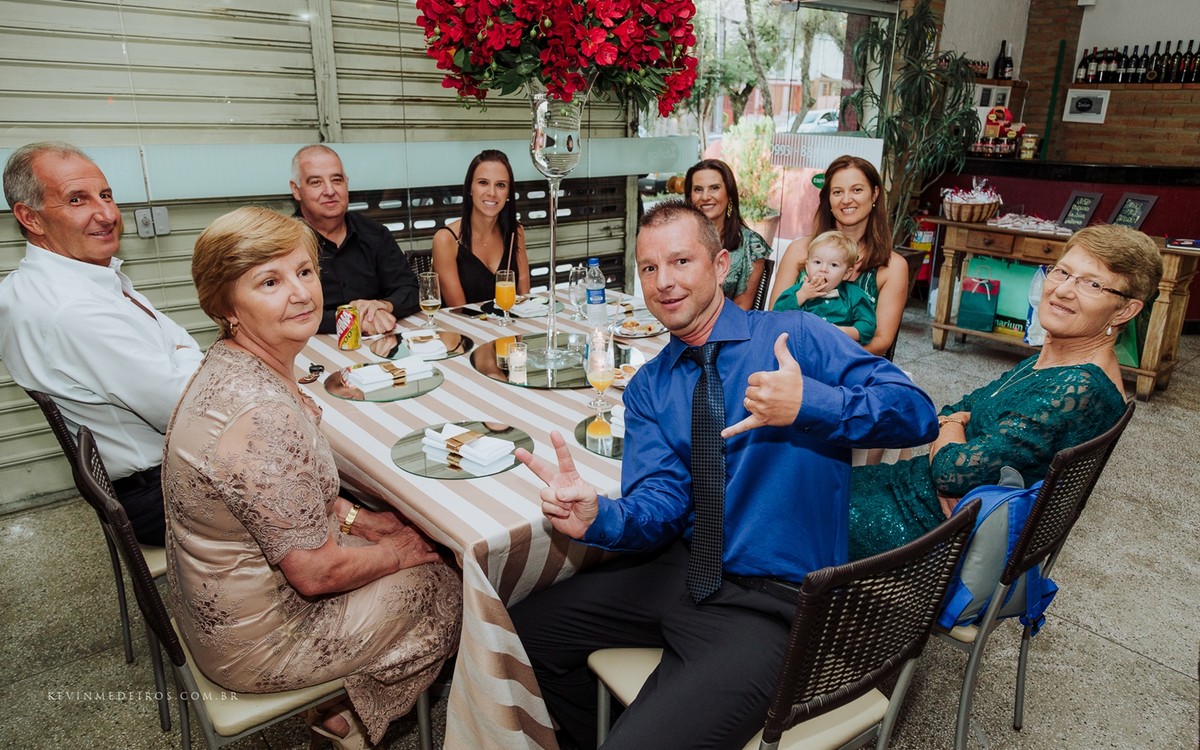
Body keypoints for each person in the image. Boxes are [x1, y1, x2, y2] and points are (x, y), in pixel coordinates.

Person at [508, 201, 937, 750]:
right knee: (521, 632)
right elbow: (662, 502)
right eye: (648, 268)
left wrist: (814, 404)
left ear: (720, 264)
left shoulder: (794, 338)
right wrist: (601, 516)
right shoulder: (649, 388)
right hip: (682, 569)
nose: (664, 282)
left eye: (681, 261)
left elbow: (916, 410)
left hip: (775, 599)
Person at [165, 206, 461, 748]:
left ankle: (343, 697)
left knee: (404, 530)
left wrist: (363, 519)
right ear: (227, 304)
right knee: (450, 579)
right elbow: (316, 574)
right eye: (270, 281)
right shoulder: (258, 414)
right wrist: (403, 552)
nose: (301, 293)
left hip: (219, 604)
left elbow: (298, 502)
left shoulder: (240, 364)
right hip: (260, 639)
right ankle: (348, 717)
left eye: (305, 272)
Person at [850, 224, 1161, 560]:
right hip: (916, 496)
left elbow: (952, 470)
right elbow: (959, 406)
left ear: (1126, 310)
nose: (1063, 290)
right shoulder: (1053, 360)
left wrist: (954, 428)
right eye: (1062, 272)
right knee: (809, 477)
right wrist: (956, 425)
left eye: (1092, 284)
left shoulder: (1080, 389)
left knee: (796, 495)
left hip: (924, 532)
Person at [0, 141, 202, 547]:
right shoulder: (74, 308)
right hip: (164, 493)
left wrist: (178, 353)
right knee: (331, 472)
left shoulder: (40, 283)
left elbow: (176, 342)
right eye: (77, 199)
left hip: (144, 482)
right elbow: (192, 410)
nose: (108, 215)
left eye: (106, 195)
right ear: (30, 217)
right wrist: (182, 354)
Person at [770, 155, 909, 356]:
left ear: (875, 194)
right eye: (837, 192)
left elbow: (880, 342)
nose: (846, 200)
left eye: (857, 190)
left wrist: (831, 359)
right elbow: (773, 317)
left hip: (851, 366)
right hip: (790, 359)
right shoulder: (799, 251)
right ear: (828, 199)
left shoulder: (893, 267)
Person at [290, 144, 418, 335]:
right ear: (296, 190)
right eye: (316, 182)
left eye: (337, 180)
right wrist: (351, 320)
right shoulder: (283, 244)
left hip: (379, 339)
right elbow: (283, 311)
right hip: (311, 348)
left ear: (347, 183)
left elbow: (410, 290)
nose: (330, 190)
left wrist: (384, 305)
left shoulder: (374, 234)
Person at [432, 149, 531, 307]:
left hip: (508, 327)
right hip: (463, 329)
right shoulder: (446, 239)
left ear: (508, 194)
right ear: (470, 188)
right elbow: (460, 311)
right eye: (483, 182)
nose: (492, 193)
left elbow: (524, 296)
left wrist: (515, 331)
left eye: (500, 185)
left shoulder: (516, 232)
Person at [685, 158, 772, 310]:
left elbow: (741, 308)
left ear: (729, 194)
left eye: (714, 188)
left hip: (725, 330)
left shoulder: (751, 246)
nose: (705, 196)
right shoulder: (677, 238)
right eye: (698, 189)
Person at [771, 229, 877, 345]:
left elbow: (868, 326)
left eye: (833, 265)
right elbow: (776, 314)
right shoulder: (799, 291)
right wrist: (801, 297)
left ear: (846, 273)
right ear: (807, 266)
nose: (823, 269)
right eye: (817, 262)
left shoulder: (854, 296)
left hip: (836, 351)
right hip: (799, 348)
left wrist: (843, 331)